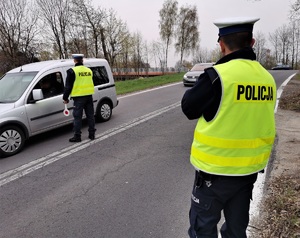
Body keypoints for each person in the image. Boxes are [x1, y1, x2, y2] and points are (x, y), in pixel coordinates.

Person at [181, 17, 276, 238]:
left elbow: (188, 108)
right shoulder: (267, 78)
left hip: (214, 174)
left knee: (202, 230)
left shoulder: (216, 76)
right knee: (236, 230)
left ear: (221, 44)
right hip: (248, 173)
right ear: (252, 43)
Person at [63, 54, 96, 142]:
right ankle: (92, 134)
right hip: (89, 96)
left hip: (78, 98)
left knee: (77, 117)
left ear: (74, 60)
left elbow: (68, 87)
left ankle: (77, 136)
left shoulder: (71, 71)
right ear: (82, 60)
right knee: (90, 116)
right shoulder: (89, 70)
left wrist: (65, 98)